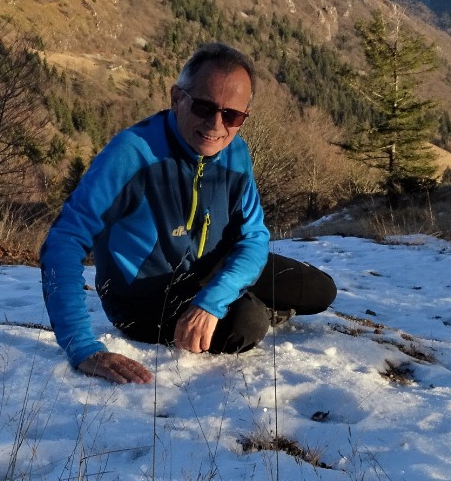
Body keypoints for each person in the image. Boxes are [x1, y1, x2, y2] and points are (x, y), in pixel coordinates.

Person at [41, 42, 337, 384]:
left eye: (232, 115)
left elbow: (254, 237)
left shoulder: (235, 153)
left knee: (319, 290)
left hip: (209, 270)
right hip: (142, 297)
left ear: (244, 118)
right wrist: (82, 347)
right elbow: (63, 241)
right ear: (176, 98)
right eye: (203, 107)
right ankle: (250, 304)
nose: (216, 125)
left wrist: (213, 299)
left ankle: (234, 300)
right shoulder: (131, 154)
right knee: (247, 322)